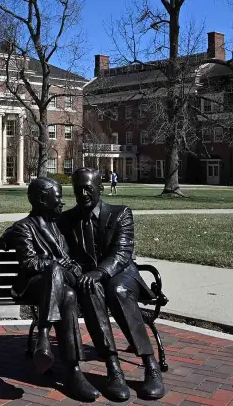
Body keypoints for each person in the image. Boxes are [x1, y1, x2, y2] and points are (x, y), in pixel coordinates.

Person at [59, 168, 165, 401]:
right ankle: (113, 367)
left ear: (101, 189)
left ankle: (150, 364)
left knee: (116, 290)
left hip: (121, 274)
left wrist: (99, 272)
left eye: (88, 188)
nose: (83, 193)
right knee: (90, 288)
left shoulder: (120, 214)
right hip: (89, 279)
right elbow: (62, 250)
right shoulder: (67, 219)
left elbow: (122, 253)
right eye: (78, 189)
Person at [0, 177, 100, 402]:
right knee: (68, 293)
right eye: (58, 198)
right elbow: (29, 264)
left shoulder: (59, 225)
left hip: (63, 281)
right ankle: (74, 373)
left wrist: (66, 265)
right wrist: (53, 263)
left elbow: (71, 260)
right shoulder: (25, 227)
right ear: (43, 200)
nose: (62, 202)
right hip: (34, 285)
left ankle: (43, 338)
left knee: (63, 281)